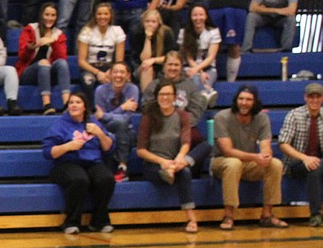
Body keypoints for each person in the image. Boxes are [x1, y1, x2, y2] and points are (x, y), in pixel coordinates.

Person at [210, 85, 286, 230]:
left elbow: (265, 145)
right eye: (241, 99)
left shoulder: (262, 118)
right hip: (222, 161)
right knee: (233, 163)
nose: (244, 103)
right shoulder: (222, 116)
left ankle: (267, 215)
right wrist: (255, 157)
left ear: (255, 102)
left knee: (275, 164)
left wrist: (265, 156)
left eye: (248, 99)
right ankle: (228, 216)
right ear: (236, 100)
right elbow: (227, 151)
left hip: (248, 163)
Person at [137, 79, 206, 233]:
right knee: (185, 173)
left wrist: (179, 160)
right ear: (157, 97)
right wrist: (163, 162)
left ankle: (177, 168)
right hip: (154, 165)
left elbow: (186, 142)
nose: (165, 98)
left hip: (177, 162)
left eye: (169, 94)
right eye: (162, 94)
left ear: (175, 97)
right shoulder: (149, 116)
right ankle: (191, 218)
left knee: (206, 146)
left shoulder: (182, 116)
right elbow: (141, 150)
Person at [43, 91, 116, 234]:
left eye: (78, 102)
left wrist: (100, 133)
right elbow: (47, 152)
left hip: (92, 162)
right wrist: (67, 146)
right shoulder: (60, 125)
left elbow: (108, 148)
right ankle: (71, 222)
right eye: (71, 102)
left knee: (106, 178)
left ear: (84, 107)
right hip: (66, 164)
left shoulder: (93, 122)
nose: (74, 105)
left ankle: (99, 221)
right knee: (80, 179)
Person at [278, 82, 323, 227]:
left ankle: (316, 214)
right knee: (314, 167)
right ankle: (315, 214)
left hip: (319, 162)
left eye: (318, 96)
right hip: (296, 163)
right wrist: (305, 158)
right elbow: (283, 144)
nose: (314, 100)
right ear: (305, 97)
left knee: (316, 167)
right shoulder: (294, 115)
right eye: (311, 96)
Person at [16, 2, 70, 113]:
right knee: (44, 63)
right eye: (47, 15)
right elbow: (22, 56)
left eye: (53, 15)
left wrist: (53, 42)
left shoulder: (58, 34)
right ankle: (47, 104)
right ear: (41, 15)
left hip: (49, 74)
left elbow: (62, 57)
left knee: (62, 64)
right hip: (29, 73)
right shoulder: (30, 29)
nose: (49, 18)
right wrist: (32, 46)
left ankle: (67, 103)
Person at [93, 61, 138, 182]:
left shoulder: (133, 89)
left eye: (122, 72)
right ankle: (122, 167)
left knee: (123, 127)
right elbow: (100, 118)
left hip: (126, 130)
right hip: (104, 129)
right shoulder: (100, 90)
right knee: (120, 127)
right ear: (110, 75)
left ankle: (120, 167)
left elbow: (126, 118)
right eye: (115, 72)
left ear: (128, 75)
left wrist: (106, 115)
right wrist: (122, 108)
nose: (118, 75)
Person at [141, 51, 208, 122]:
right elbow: (147, 108)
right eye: (170, 64)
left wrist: (177, 123)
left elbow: (195, 112)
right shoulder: (153, 86)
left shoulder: (191, 86)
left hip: (183, 127)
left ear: (181, 67)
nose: (173, 68)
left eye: (176, 65)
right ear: (164, 66)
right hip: (158, 126)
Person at [76, 2, 124, 94]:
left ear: (110, 16)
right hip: (90, 67)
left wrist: (110, 72)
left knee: (116, 81)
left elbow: (119, 61)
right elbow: (81, 61)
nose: (102, 17)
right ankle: (89, 107)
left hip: (109, 67)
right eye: (99, 14)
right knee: (88, 81)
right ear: (95, 15)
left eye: (106, 14)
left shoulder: (117, 31)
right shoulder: (87, 31)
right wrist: (98, 73)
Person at [177, 4, 219, 98]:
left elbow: (211, 57)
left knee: (206, 79)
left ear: (206, 16)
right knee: (195, 79)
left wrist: (198, 70)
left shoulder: (214, 32)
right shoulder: (183, 33)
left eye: (201, 15)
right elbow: (188, 58)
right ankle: (207, 93)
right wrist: (199, 72)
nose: (198, 18)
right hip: (189, 67)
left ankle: (205, 93)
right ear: (190, 17)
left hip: (208, 68)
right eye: (195, 15)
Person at [130, 8, 176, 91]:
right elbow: (144, 59)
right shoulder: (137, 33)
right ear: (143, 23)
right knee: (147, 67)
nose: (150, 24)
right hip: (141, 68)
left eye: (153, 22)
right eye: (147, 21)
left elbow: (171, 57)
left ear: (159, 23)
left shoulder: (167, 32)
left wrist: (154, 60)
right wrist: (148, 38)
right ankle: (147, 101)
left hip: (162, 67)